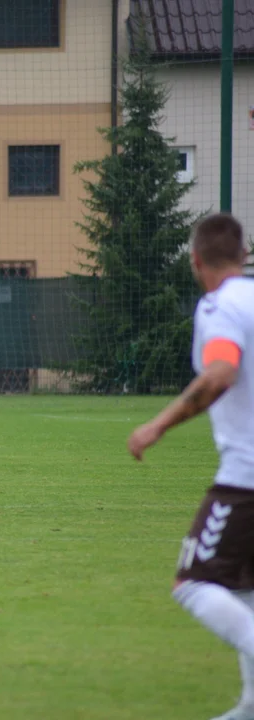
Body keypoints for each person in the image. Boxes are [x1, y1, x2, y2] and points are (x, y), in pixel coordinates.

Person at [128, 212, 254, 720]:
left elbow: (220, 371)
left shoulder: (221, 306)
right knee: (243, 588)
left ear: (196, 261)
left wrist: (158, 425)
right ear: (243, 256)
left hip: (246, 481)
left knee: (194, 584)